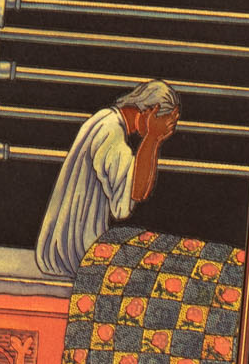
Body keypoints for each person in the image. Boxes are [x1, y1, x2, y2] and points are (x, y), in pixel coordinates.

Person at [34, 81, 181, 281]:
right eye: (164, 122)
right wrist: (152, 138)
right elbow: (133, 196)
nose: (165, 131)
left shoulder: (105, 117)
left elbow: (142, 191)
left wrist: (154, 141)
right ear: (151, 111)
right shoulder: (110, 132)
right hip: (79, 252)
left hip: (68, 245)